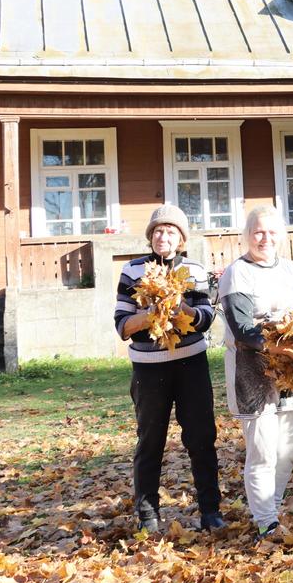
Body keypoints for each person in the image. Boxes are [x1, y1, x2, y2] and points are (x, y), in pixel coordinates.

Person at [114, 204, 223, 534]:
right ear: (150, 237)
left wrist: (180, 307)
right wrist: (151, 314)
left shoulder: (193, 270)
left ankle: (210, 510)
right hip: (149, 370)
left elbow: (205, 319)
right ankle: (148, 514)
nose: (164, 236)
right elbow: (121, 325)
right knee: (150, 441)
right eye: (158, 231)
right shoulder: (132, 272)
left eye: (171, 231)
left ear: (181, 239)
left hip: (191, 365)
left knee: (202, 438)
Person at [218, 205, 293, 540]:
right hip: (252, 371)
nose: (265, 238)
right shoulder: (237, 273)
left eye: (272, 232)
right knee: (263, 448)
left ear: (282, 237)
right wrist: (281, 343)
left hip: (292, 371)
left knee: (289, 448)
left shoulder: (291, 270)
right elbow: (243, 329)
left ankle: (271, 506)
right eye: (258, 232)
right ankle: (266, 521)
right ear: (246, 236)